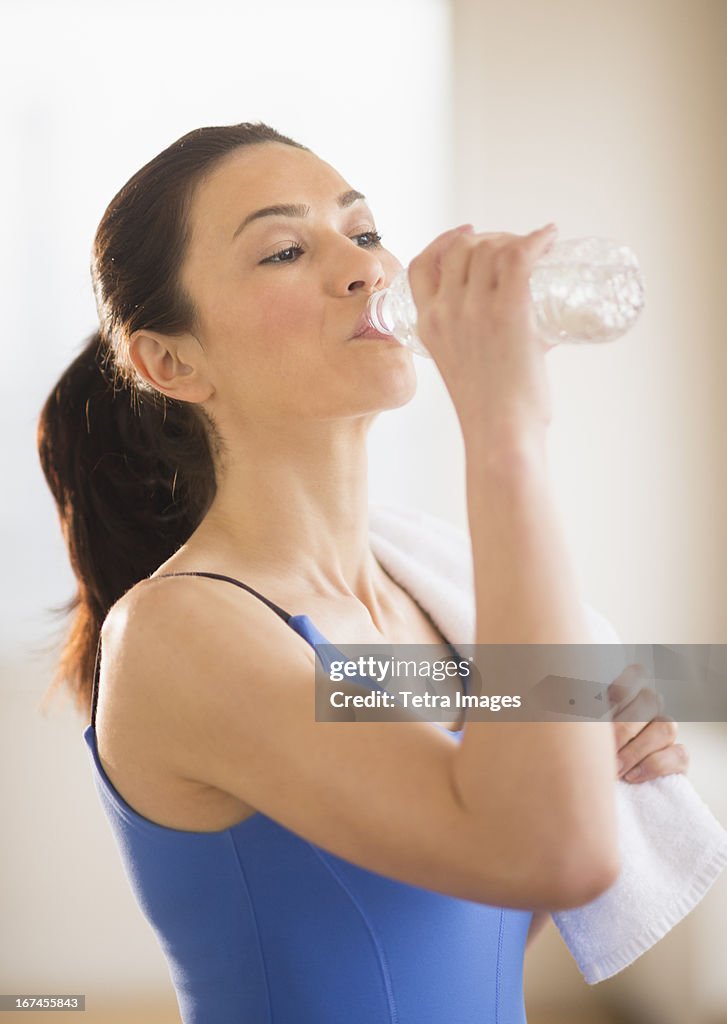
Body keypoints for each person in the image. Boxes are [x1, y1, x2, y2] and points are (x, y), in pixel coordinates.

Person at [36, 121, 689, 1023]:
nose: (366, 268)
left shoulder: (421, 592)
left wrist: (586, 759)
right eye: (286, 249)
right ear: (169, 361)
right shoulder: (179, 635)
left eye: (366, 231)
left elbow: (469, 919)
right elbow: (554, 855)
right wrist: (503, 430)